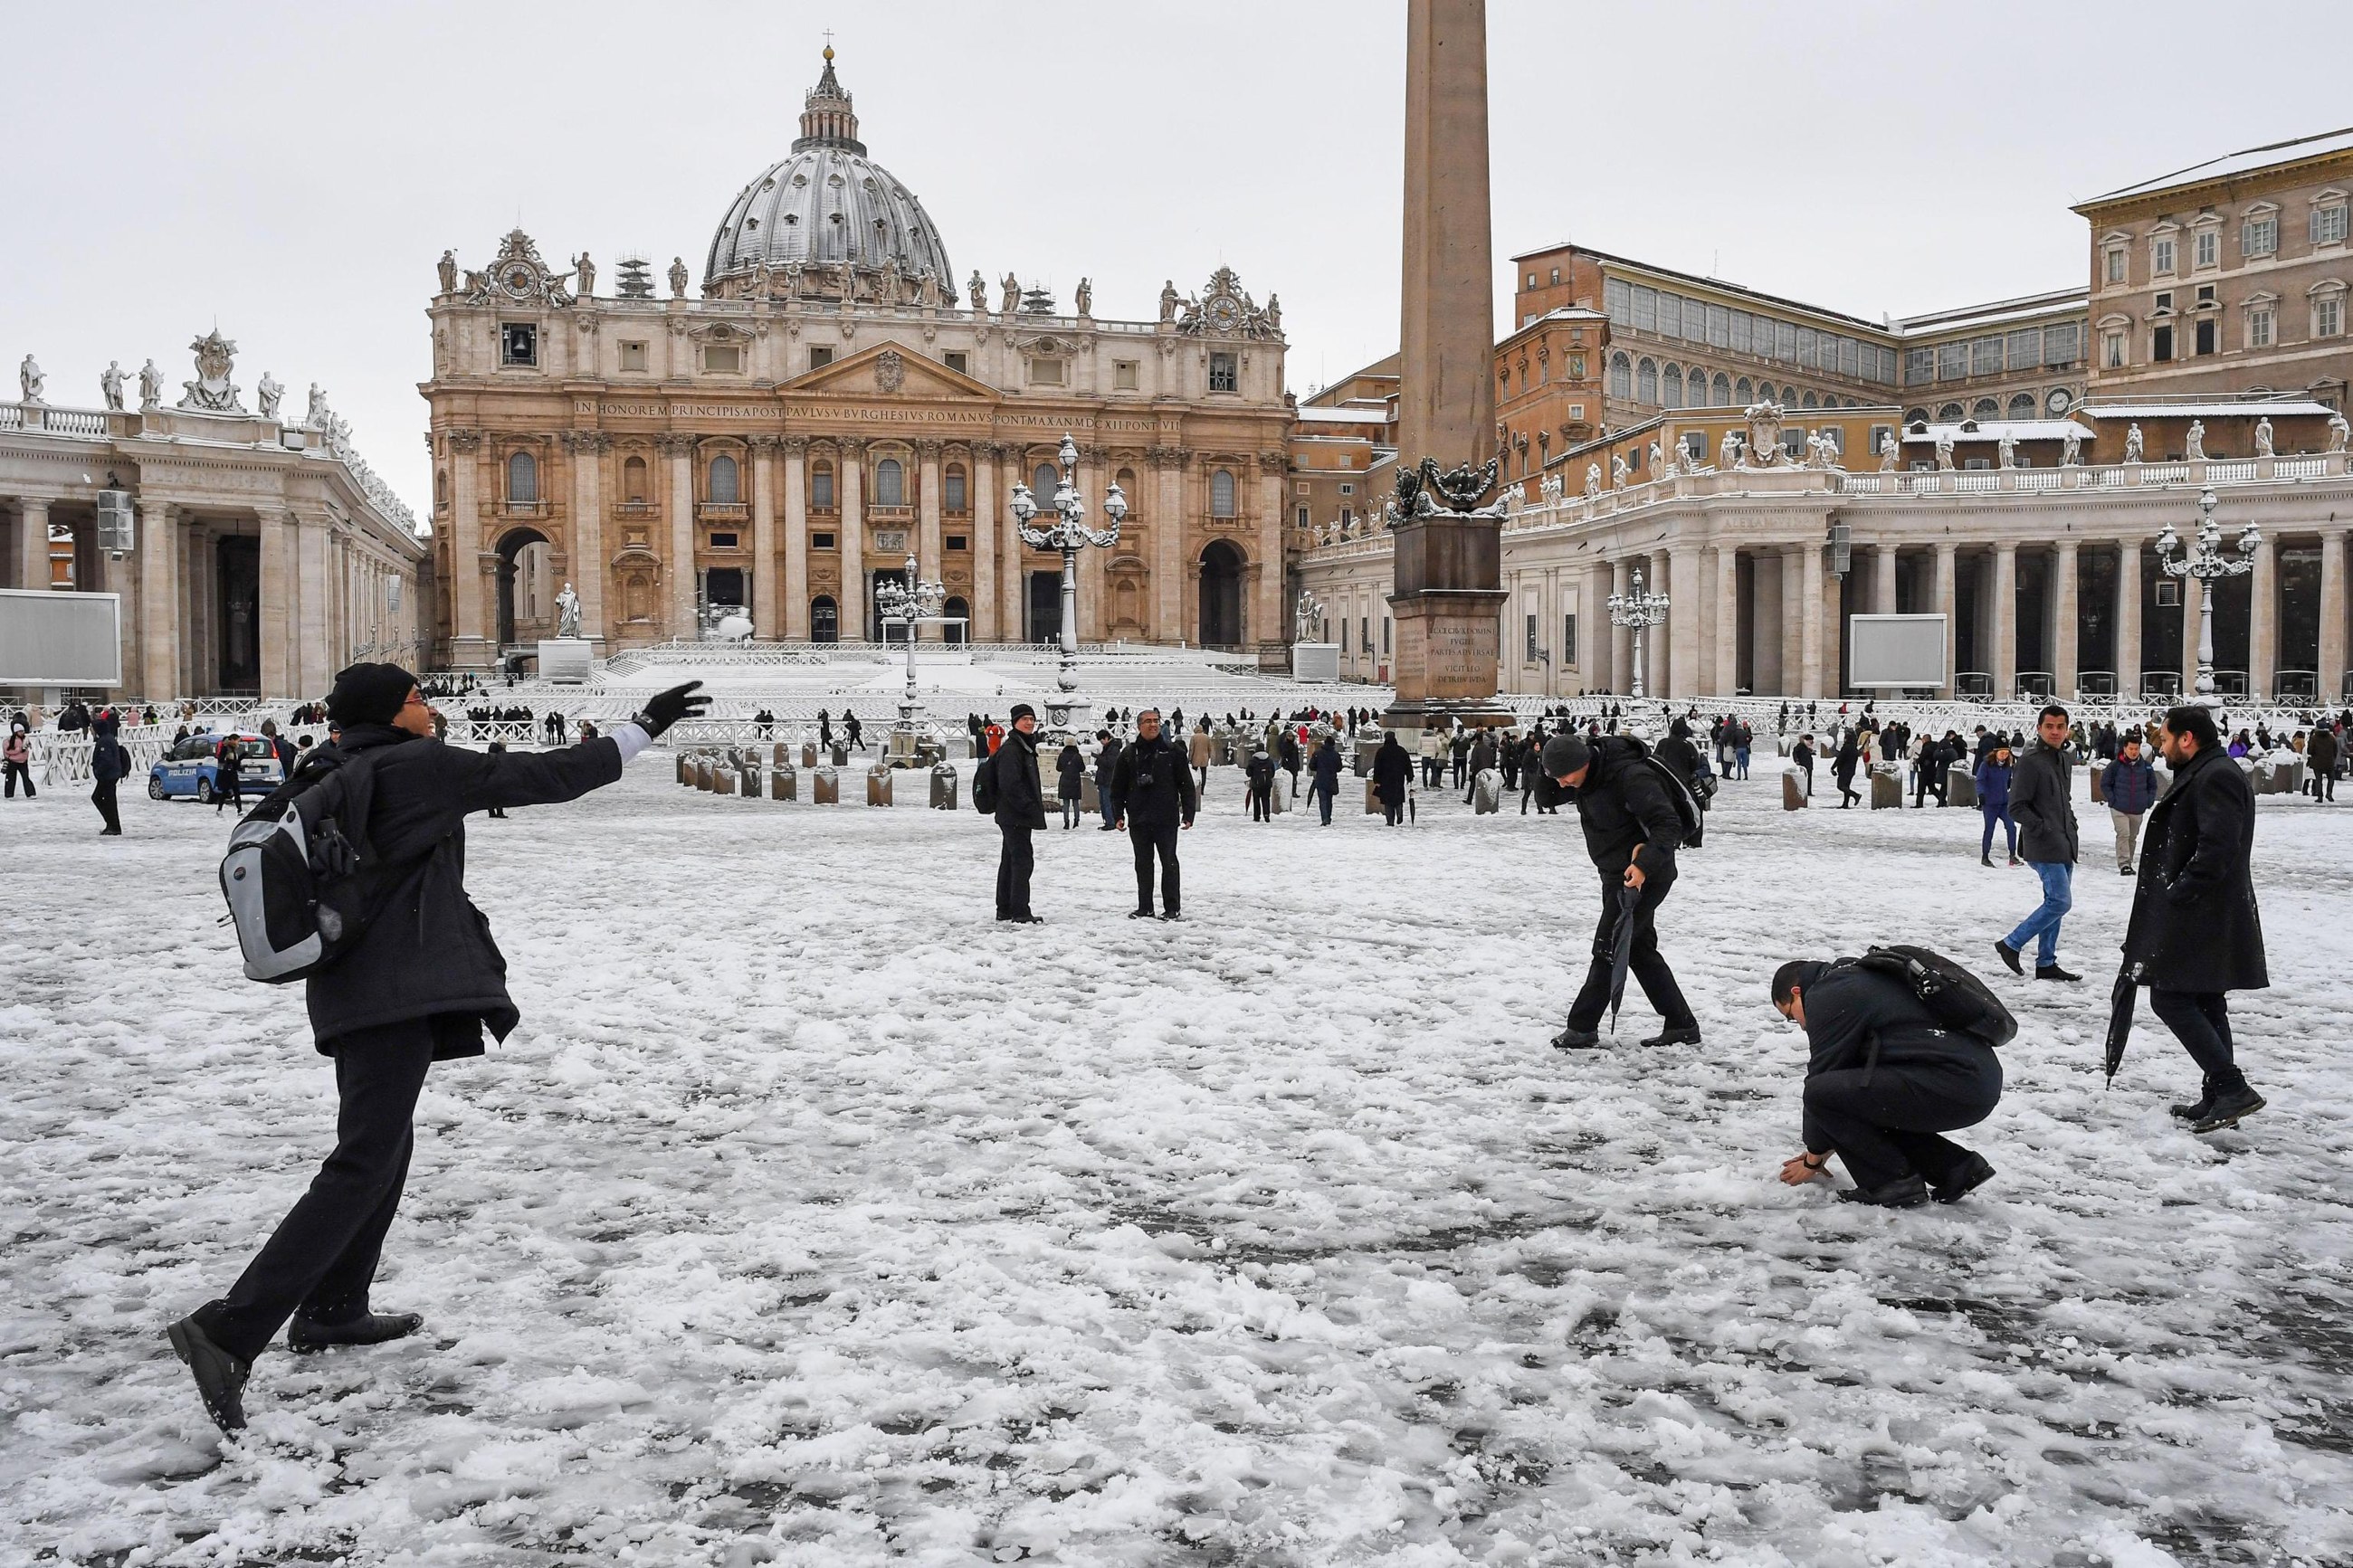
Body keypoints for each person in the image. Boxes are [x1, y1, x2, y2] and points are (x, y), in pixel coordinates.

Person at [166, 664, 710, 1433]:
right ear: (392, 712)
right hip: (391, 989)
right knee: (361, 1162)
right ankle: (228, 1328)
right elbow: (545, 773)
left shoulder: (328, 764)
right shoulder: (412, 764)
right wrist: (642, 727)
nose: (430, 707)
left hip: (352, 984)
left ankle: (333, 1306)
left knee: (383, 1148)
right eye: (418, 697)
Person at [2126, 705, 2269, 1134]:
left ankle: (2231, 1087)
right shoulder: (2208, 771)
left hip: (2202, 913)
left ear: (2187, 739)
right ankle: (2219, 1095)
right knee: (2206, 1001)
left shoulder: (2217, 775)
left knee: (2169, 998)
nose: (2162, 748)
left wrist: (2177, 894)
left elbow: (2217, 849)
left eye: (2166, 739)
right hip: (2207, 911)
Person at [1769, 959, 2001, 1208]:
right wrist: (1829, 1141)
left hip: (1955, 1081)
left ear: (1796, 992)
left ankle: (1891, 1184)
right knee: (1863, 1096)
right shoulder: (1857, 978)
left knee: (1820, 1093)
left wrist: (1813, 1158)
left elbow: (1822, 1079)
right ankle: (1955, 1169)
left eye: (1791, 1016)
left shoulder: (1829, 993)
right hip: (1974, 1080)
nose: (1802, 1025)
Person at [1543, 732, 1700, 1050]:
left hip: (1644, 876)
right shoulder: (1585, 778)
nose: (1562, 784)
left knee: (1608, 946)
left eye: (1565, 776)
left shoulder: (1631, 776)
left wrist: (1643, 865)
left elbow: (1666, 824)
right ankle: (1681, 1023)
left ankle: (1582, 1027)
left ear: (1585, 762)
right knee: (1639, 950)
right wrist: (1547, 766)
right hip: (1614, 875)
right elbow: (1546, 799)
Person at [1996, 704, 2081, 982]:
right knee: (2059, 902)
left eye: (2060, 726)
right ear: (2039, 728)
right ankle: (2011, 943)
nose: (2055, 732)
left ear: (2067, 729)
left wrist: (2070, 825)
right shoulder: (2030, 761)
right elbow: (2016, 806)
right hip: (2043, 843)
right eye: (2049, 727)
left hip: (2065, 841)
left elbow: (2063, 799)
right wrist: (2043, 828)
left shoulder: (2064, 758)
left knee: (2054, 902)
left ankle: (2046, 962)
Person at [1110, 708, 1196, 919]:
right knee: (1143, 864)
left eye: (1156, 720)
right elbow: (1117, 787)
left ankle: (1172, 908)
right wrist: (1118, 815)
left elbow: (1186, 784)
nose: (1153, 724)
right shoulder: (1129, 754)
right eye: (1148, 721)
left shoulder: (1172, 751)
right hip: (1139, 818)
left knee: (1169, 863)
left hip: (1165, 818)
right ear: (1139, 726)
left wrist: (1188, 814)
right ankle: (1145, 907)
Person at [989, 705, 1046, 924]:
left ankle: (1005, 908)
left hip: (1012, 814)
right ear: (1014, 722)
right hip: (1015, 815)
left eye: (1032, 719)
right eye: (1025, 719)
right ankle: (1020, 910)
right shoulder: (1014, 749)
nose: (1030, 723)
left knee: (1010, 860)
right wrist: (1028, 806)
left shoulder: (1021, 746)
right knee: (1022, 861)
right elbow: (1010, 784)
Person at [2101, 733, 2158, 876]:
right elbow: (2105, 784)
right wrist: (2112, 798)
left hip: (2137, 808)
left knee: (2132, 837)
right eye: (2131, 748)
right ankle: (2124, 864)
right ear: (2125, 749)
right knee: (2123, 834)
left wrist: (2148, 800)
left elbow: (2152, 785)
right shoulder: (2114, 766)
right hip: (2119, 807)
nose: (2134, 752)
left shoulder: (2146, 767)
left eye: (2136, 749)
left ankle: (2129, 862)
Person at [1975, 744, 2018, 867]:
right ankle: (1985, 857)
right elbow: (1980, 780)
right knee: (1989, 829)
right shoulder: (1986, 765)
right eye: (2001, 753)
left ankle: (2012, 855)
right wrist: (1981, 794)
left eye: (2006, 753)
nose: (2004, 756)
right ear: (1995, 753)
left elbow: (2008, 781)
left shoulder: (2007, 767)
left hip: (2004, 803)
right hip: (1990, 804)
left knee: (2011, 827)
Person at [89, 708, 129, 835]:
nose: (91, 730)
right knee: (106, 799)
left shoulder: (104, 741)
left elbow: (106, 760)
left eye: (92, 728)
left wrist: (97, 770)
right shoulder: (108, 738)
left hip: (108, 775)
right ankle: (112, 825)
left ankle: (113, 825)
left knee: (101, 799)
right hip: (110, 774)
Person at [1372, 731, 1410, 826]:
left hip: (1386, 779)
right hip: (1398, 777)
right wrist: (1410, 776)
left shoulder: (1381, 751)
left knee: (1388, 801)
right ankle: (1399, 813)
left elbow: (1377, 766)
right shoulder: (1401, 750)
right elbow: (1408, 764)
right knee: (1398, 797)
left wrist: (1376, 780)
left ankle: (1390, 821)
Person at [1308, 732, 1342, 825]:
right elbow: (1339, 768)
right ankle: (1329, 817)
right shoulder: (1336, 754)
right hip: (1331, 779)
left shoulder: (1317, 753)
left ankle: (1324, 818)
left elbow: (1311, 766)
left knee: (1322, 800)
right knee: (1329, 800)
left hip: (1321, 779)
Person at [1095, 729, 1126, 829]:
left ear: (1106, 738)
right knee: (1104, 802)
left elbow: (1110, 763)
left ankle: (1111, 822)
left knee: (1107, 801)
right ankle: (1108, 821)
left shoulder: (1113, 749)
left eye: (1101, 740)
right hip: (1104, 778)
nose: (1101, 743)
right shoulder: (1109, 748)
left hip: (1108, 779)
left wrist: (1098, 758)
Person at [214, 733, 247, 815]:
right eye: (236, 741)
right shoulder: (226, 749)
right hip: (227, 774)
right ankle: (219, 809)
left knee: (236, 792)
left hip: (233, 773)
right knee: (225, 791)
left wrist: (240, 760)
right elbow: (222, 759)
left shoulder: (234, 749)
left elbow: (236, 762)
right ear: (232, 740)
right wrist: (231, 762)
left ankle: (239, 810)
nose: (237, 743)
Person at [1054, 738, 1084, 829]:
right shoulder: (1078, 756)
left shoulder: (1062, 755)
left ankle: (1066, 822)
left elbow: (1058, 768)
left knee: (1066, 802)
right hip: (1075, 780)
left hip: (1065, 780)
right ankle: (1076, 821)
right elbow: (1082, 768)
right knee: (1075, 802)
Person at [2309, 721, 2339, 803]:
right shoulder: (2331, 737)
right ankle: (2329, 793)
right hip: (2329, 762)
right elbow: (2336, 750)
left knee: (2318, 780)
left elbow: (2310, 751)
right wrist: (2333, 758)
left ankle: (2320, 796)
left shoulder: (2314, 738)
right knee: (2331, 778)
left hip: (2317, 762)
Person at [1245, 745, 1276, 822]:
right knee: (1266, 799)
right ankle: (1266, 816)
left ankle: (1257, 817)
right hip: (1267, 783)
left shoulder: (1253, 760)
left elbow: (1248, 773)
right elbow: (1273, 771)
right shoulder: (1269, 760)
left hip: (1256, 783)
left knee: (1256, 800)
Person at [4, 718, 33, 800]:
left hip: (23, 761)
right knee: (11, 778)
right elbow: (7, 751)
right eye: (20, 731)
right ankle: (9, 794)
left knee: (26, 777)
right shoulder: (9, 740)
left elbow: (27, 748)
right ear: (16, 732)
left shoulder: (25, 739)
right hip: (12, 761)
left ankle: (30, 793)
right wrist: (19, 749)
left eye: (23, 731)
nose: (22, 733)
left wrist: (27, 748)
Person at [1833, 730, 1862, 807]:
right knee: (1846, 787)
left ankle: (1856, 795)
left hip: (1844, 770)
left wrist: (1833, 767)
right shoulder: (1854, 748)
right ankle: (1845, 804)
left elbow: (1840, 758)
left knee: (1840, 786)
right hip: (1851, 770)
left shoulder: (1846, 747)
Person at [1792, 733, 1815, 798]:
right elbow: (1795, 753)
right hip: (1803, 765)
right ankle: (1804, 791)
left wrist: (1812, 753)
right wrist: (1796, 760)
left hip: (1809, 765)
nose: (1812, 742)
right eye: (1811, 740)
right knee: (1804, 779)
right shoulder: (1800, 746)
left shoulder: (1808, 747)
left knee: (1809, 779)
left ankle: (1809, 791)